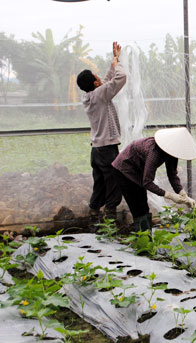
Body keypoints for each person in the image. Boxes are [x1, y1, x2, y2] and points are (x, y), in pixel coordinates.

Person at [76, 42, 126, 230]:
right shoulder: (100, 95)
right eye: (96, 77)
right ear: (95, 83)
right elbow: (121, 78)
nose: (99, 77)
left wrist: (114, 60)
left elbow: (105, 82)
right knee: (114, 184)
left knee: (100, 185)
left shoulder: (90, 96)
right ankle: (110, 222)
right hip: (106, 149)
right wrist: (118, 66)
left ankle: (93, 218)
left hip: (96, 150)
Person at [112, 127, 196, 232]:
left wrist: (183, 195)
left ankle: (146, 237)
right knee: (138, 207)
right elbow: (147, 182)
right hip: (123, 170)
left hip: (137, 171)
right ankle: (143, 241)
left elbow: (172, 174)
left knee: (143, 206)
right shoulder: (154, 152)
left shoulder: (171, 151)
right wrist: (170, 196)